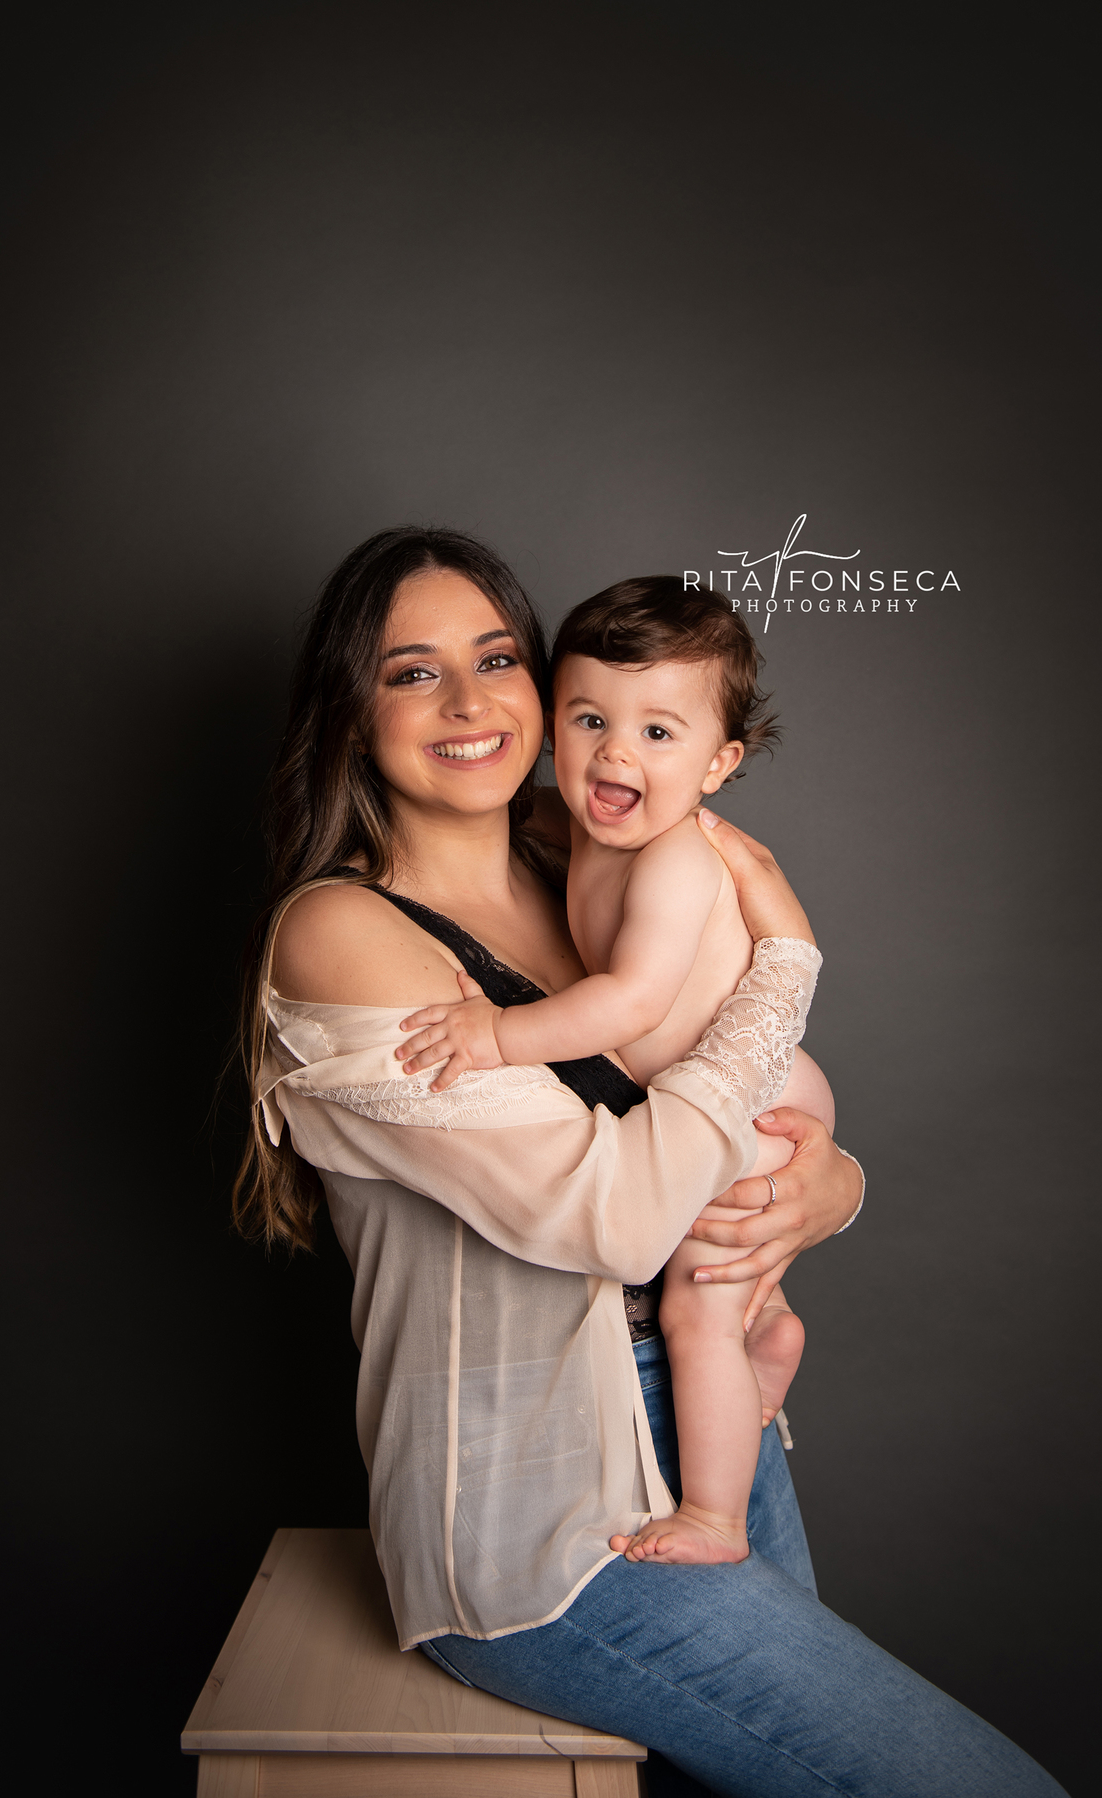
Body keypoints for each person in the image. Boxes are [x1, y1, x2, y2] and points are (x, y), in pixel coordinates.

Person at [233, 524, 1063, 1794]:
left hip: (714, 1408)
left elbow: (746, 1123)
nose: (468, 702)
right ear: (351, 712)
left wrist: (833, 1186)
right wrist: (786, 969)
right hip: (546, 1521)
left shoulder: (586, 849)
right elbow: (620, 1217)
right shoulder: (343, 930)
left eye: (495, 659)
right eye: (411, 672)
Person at [393, 576, 834, 1568]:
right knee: (724, 1286)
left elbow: (631, 1003)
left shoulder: (675, 859)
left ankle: (715, 1517)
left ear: (720, 764)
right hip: (724, 1098)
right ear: (553, 724)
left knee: (692, 1306)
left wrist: (497, 1034)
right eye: (590, 720)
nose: (616, 753)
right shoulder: (582, 826)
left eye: (658, 733)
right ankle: (768, 1327)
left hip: (756, 1099)